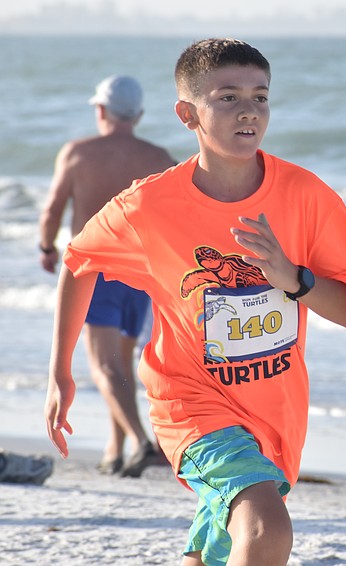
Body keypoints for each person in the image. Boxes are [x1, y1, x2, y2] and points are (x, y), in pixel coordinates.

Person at [44, 38, 346, 566]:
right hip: (190, 403)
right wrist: (61, 371)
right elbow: (79, 260)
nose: (248, 109)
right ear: (187, 113)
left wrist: (290, 277)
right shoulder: (150, 205)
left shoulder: (307, 196)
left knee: (219, 544)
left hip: (274, 410)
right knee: (265, 528)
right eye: (227, 97)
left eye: (260, 97)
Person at [39, 75, 176, 478]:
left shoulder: (79, 153)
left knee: (102, 365)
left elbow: (52, 208)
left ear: (100, 110)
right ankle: (115, 449)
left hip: (93, 269)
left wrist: (47, 248)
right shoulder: (159, 157)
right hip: (139, 271)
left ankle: (141, 441)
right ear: (139, 115)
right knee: (119, 362)